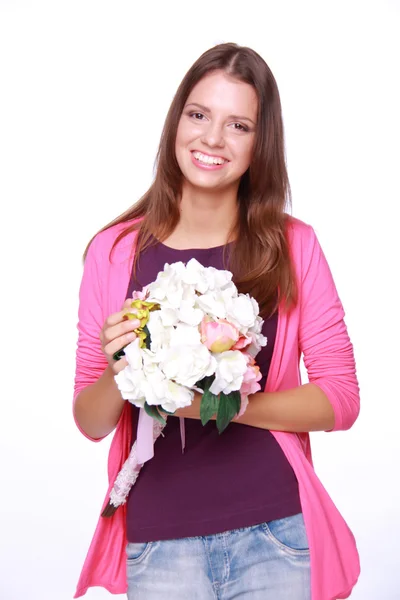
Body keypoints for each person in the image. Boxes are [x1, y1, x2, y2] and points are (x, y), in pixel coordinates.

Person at [72, 43, 360, 600]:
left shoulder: (294, 246)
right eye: (199, 115)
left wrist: (219, 405)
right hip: (159, 542)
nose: (211, 138)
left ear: (260, 144)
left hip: (276, 533)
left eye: (238, 125)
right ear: (176, 120)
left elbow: (340, 399)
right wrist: (120, 370)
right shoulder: (113, 253)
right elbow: (90, 419)